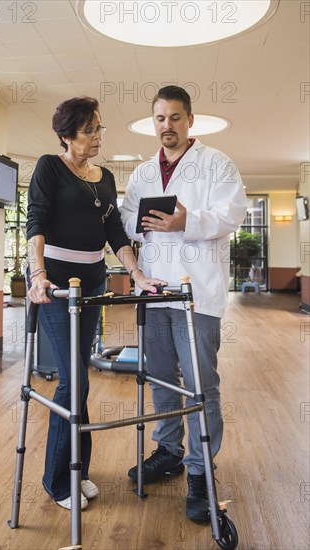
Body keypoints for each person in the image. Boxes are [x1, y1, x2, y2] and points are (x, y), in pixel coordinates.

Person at [26, 96, 164, 511]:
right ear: (67, 136)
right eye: (90, 130)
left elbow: (116, 235)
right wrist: (36, 275)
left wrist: (138, 275)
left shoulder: (104, 178)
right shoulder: (49, 167)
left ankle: (78, 469)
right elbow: (35, 221)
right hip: (55, 284)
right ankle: (58, 480)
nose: (98, 136)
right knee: (73, 379)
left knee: (80, 377)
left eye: (99, 128)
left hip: (92, 280)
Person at [120, 85, 247, 522]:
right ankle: (169, 450)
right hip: (155, 291)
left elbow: (233, 214)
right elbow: (127, 225)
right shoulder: (140, 174)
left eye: (175, 118)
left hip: (199, 292)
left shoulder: (217, 164)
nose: (167, 126)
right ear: (152, 122)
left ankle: (199, 470)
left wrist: (185, 221)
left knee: (200, 385)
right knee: (160, 378)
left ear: (189, 120)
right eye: (160, 118)